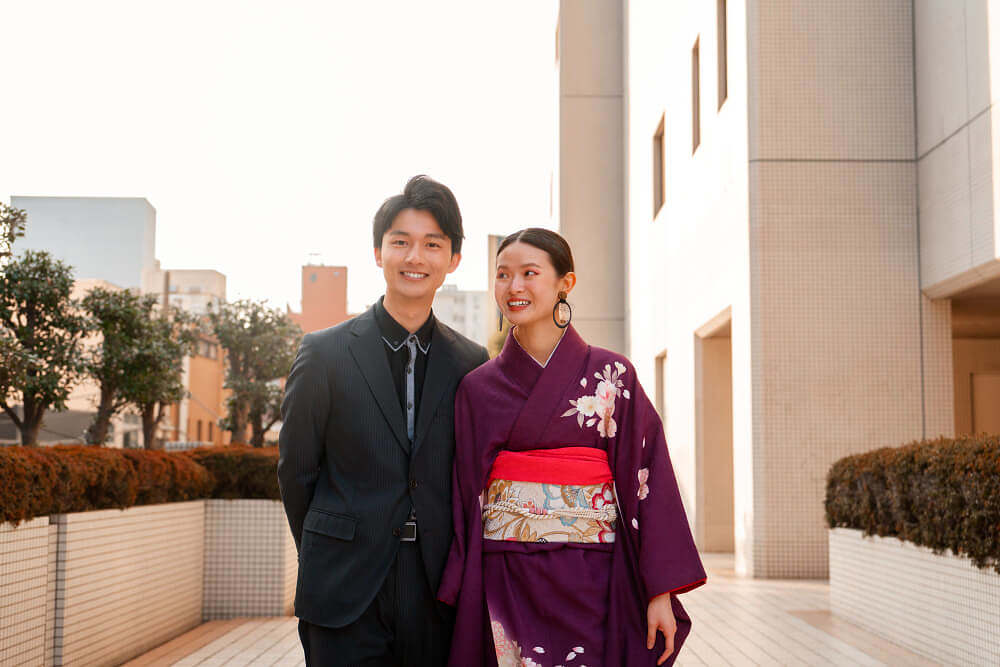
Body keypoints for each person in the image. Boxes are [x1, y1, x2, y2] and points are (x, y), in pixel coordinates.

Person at [438, 228, 706, 667]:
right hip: (505, 578)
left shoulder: (612, 376)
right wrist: (463, 588)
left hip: (592, 576)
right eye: (502, 275)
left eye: (529, 273)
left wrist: (660, 590)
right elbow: (464, 499)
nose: (514, 287)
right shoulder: (477, 388)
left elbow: (648, 477)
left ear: (566, 282)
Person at [278, 175, 490, 666]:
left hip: (437, 589)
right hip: (344, 588)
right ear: (379, 253)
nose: (415, 257)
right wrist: (327, 549)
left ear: (452, 259)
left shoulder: (472, 363)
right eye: (401, 242)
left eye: (432, 244)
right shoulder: (324, 351)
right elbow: (296, 472)